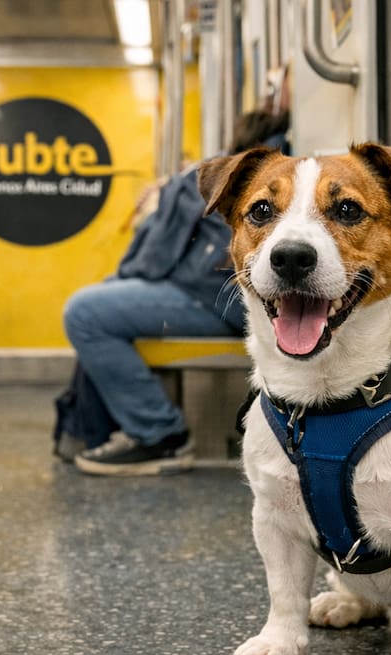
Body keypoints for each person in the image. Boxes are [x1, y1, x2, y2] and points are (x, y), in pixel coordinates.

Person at [58, 108, 290, 477]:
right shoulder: (278, 168)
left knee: (85, 313)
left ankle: (159, 434)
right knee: (101, 299)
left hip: (218, 298)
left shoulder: (260, 175)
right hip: (211, 289)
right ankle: (114, 426)